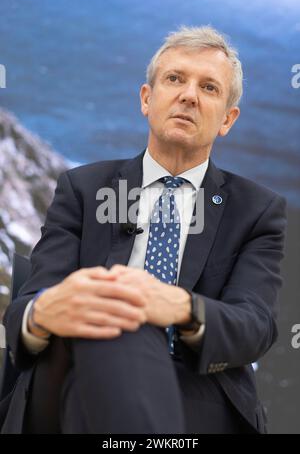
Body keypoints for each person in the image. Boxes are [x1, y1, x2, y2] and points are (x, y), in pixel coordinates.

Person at [1, 26, 287, 434]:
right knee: (118, 317)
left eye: (208, 87)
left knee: (125, 314)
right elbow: (25, 309)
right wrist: (43, 311)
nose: (189, 95)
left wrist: (179, 308)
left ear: (227, 119)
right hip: (69, 372)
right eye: (175, 79)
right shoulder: (83, 189)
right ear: (147, 99)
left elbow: (254, 327)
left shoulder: (258, 211)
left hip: (195, 391)